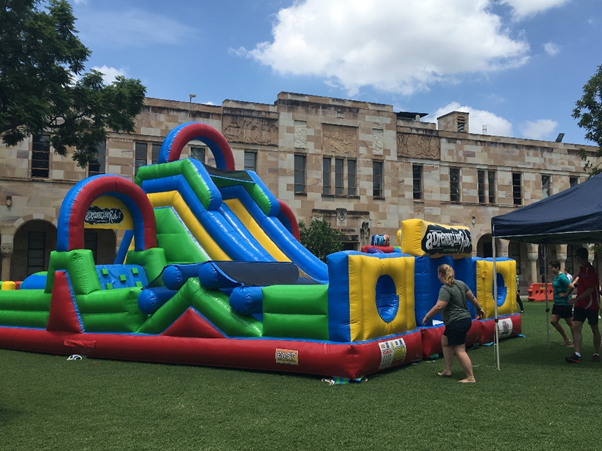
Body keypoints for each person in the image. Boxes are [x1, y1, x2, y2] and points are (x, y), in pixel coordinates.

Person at [422, 264, 485, 383]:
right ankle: (447, 370)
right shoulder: (461, 284)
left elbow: (440, 306)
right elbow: (471, 297)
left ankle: (470, 377)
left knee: (459, 349)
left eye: (438, 274)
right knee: (445, 341)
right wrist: (478, 309)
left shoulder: (445, 288)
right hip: (465, 320)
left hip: (456, 322)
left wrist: (427, 316)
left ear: (441, 275)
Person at [566, 247, 601, 363]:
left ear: (580, 257)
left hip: (591, 305)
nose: (576, 259)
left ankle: (596, 353)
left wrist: (577, 298)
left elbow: (591, 289)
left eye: (576, 257)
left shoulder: (590, 270)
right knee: (577, 327)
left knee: (594, 328)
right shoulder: (582, 270)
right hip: (580, 305)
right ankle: (577, 353)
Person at [548, 260, 574, 346]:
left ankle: (576, 341)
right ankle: (566, 338)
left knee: (570, 323)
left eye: (552, 268)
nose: (550, 270)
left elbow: (571, 286)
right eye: (550, 268)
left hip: (565, 303)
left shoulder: (562, 277)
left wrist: (566, 294)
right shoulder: (556, 276)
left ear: (557, 267)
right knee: (553, 321)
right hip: (557, 303)